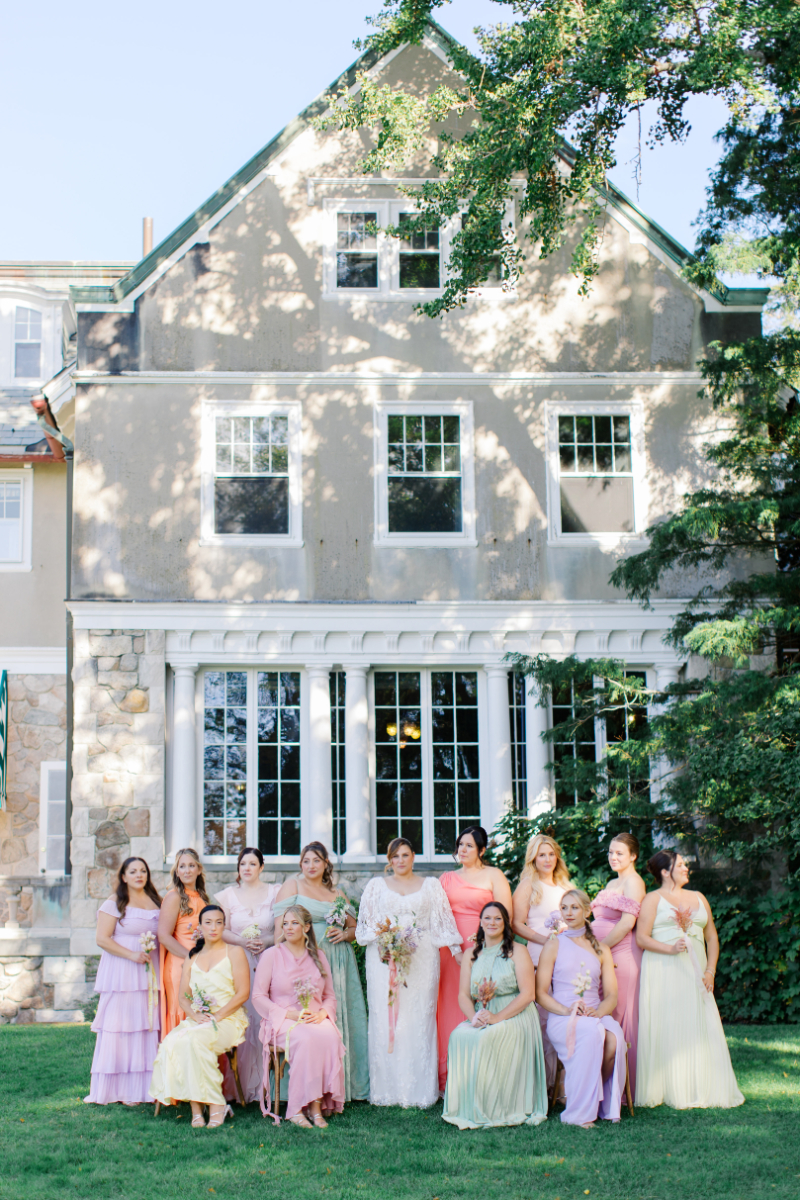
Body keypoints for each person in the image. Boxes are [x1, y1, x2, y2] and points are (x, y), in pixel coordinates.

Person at [356, 837, 461, 1108]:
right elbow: (365, 927)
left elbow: (443, 924)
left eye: (405, 854)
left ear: (413, 856)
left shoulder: (431, 886)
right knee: (385, 1015)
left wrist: (463, 956)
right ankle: (386, 1089)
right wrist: (384, 944)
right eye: (395, 856)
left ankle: (420, 1090)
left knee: (418, 1017)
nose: (400, 860)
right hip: (383, 957)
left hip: (422, 958)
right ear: (389, 860)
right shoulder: (376, 886)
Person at [635, 850, 744, 1110]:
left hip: (697, 972)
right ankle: (670, 1086)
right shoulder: (653, 899)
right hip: (665, 969)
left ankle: (702, 1084)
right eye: (681, 864)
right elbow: (642, 938)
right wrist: (670, 949)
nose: (687, 868)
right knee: (671, 1022)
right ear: (665, 872)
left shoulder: (699, 898)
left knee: (699, 1022)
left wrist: (710, 972)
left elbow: (712, 938)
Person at [272, 841, 369, 1102]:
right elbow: (279, 928)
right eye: (306, 860)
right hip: (305, 960)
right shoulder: (293, 886)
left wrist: (345, 932)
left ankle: (339, 1086)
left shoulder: (336, 893)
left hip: (337, 961)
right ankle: (305, 1089)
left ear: (326, 863)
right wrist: (283, 961)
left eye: (317, 860)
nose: (311, 865)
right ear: (300, 864)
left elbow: (356, 929)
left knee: (336, 1016)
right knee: (309, 1017)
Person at [443, 901, 547, 1130]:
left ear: (505, 923)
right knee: (459, 1035)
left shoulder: (517, 951)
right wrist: (473, 1017)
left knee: (486, 1037)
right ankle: (467, 1106)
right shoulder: (471, 953)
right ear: (480, 922)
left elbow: (528, 994)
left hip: (515, 1013)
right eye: (487, 918)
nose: (492, 922)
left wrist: (497, 1017)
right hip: (482, 1014)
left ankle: (493, 1107)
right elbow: (463, 995)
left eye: (498, 918)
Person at [150, 905, 250, 1127]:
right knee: (173, 1041)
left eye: (218, 922)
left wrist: (217, 1016)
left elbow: (243, 993)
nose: (213, 927)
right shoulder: (192, 957)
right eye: (208, 922)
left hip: (229, 1019)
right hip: (199, 1019)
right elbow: (184, 997)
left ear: (224, 925)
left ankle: (215, 1105)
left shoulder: (234, 952)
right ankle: (197, 1110)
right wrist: (195, 1015)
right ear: (200, 926)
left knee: (195, 1041)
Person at [536, 889, 627, 1128]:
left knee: (614, 1039)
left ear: (587, 911)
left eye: (575, 907)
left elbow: (611, 995)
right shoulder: (554, 944)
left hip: (595, 1012)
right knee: (590, 1032)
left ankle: (585, 1095)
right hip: (562, 1015)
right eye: (564, 907)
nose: (568, 912)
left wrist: (598, 1012)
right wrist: (566, 1011)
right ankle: (579, 1113)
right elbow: (540, 993)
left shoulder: (601, 949)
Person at [252, 904, 345, 1128]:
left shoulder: (318, 956)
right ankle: (296, 1109)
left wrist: (323, 1013)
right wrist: (288, 1014)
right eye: (285, 923)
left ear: (307, 927)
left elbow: (330, 996)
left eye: (294, 923)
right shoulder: (271, 955)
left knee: (330, 1037)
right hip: (282, 1021)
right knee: (306, 1038)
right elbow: (258, 997)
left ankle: (315, 1107)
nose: (289, 928)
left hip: (314, 1018)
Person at [436, 826, 513, 1092]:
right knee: (449, 1005)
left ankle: (482, 1073)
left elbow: (505, 914)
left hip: (485, 946)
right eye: (460, 845)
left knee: (481, 998)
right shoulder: (445, 879)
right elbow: (437, 918)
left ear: (482, 850)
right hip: (450, 950)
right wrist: (456, 950)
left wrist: (486, 944)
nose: (462, 850)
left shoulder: (494, 875)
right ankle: (448, 1076)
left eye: (469, 845)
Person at [84, 857, 162, 1105]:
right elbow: (102, 938)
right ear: (124, 876)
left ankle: (144, 1088)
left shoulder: (156, 902)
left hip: (150, 971)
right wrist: (131, 955)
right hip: (123, 972)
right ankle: (120, 1089)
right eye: (133, 871)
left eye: (143, 870)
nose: (139, 875)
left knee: (146, 1024)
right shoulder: (115, 903)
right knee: (122, 1026)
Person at [214, 847, 280, 1103]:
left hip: (267, 961)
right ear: (238, 868)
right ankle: (240, 1087)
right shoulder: (227, 896)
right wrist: (243, 941)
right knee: (244, 1019)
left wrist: (264, 941)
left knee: (264, 1018)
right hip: (239, 962)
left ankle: (268, 1086)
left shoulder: (274, 893)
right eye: (243, 864)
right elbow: (223, 929)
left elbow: (279, 929)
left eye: (253, 864)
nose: (247, 868)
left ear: (261, 867)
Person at [511, 833, 571, 1088]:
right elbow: (516, 923)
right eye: (541, 854)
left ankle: (563, 1085)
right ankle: (542, 1086)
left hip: (565, 959)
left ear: (557, 856)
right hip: (538, 958)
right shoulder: (528, 885)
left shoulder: (566, 886)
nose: (547, 859)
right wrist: (544, 939)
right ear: (533, 858)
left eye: (550, 854)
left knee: (563, 1019)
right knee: (543, 1021)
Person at [590, 832, 646, 1093]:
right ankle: (598, 1082)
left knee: (618, 1014)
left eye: (619, 853)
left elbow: (626, 922)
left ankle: (621, 1090)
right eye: (611, 852)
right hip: (603, 956)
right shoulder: (613, 882)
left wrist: (600, 948)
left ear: (633, 856)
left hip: (621, 956)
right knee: (603, 1014)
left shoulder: (634, 882)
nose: (613, 857)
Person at [157, 848, 210, 1037]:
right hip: (180, 965)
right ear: (177, 871)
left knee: (201, 1015)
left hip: (202, 966)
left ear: (198, 869)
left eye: (191, 865)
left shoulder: (204, 898)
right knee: (183, 1015)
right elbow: (164, 935)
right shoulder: (174, 897)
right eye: (182, 866)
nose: (187, 870)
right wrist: (190, 957)